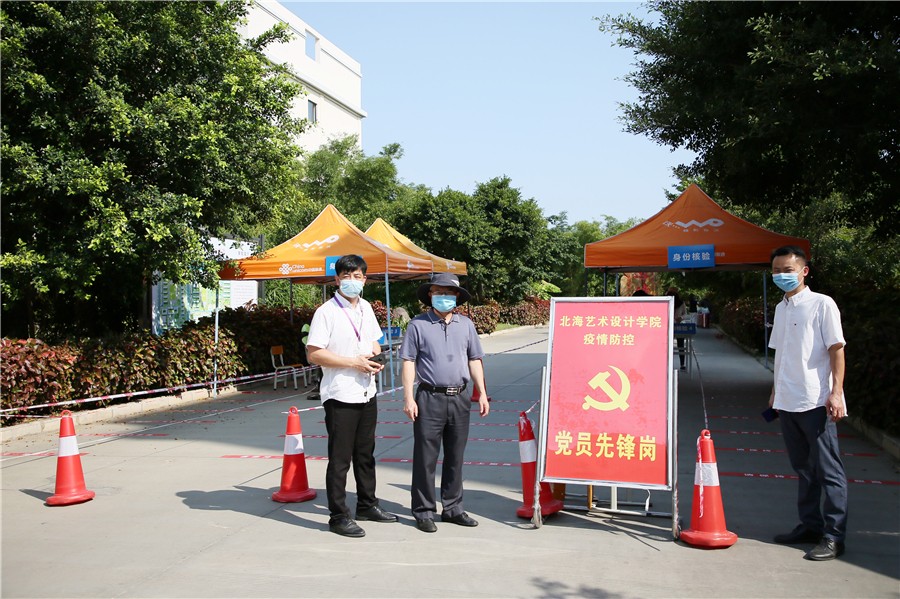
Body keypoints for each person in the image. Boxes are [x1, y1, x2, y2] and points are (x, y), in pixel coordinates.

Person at [305, 254, 397, 537]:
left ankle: (367, 505)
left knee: (365, 453)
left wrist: (375, 357)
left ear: (365, 280)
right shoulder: (326, 312)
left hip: (366, 390)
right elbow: (314, 354)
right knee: (340, 458)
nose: (352, 281)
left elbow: (374, 342)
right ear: (337, 279)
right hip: (340, 393)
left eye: (358, 276)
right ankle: (338, 515)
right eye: (347, 276)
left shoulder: (366, 308)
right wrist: (352, 362)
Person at [768, 245, 848, 561]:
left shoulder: (822, 304)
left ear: (804, 271)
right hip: (788, 400)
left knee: (829, 471)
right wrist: (775, 392)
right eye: (776, 270)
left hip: (816, 401)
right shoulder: (781, 308)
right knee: (803, 468)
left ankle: (834, 535)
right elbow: (781, 353)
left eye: (788, 270)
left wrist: (836, 392)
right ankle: (810, 526)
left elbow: (837, 349)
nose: (781, 275)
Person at [399, 273, 489, 533]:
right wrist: (408, 397)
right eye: (438, 292)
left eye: (449, 293)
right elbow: (408, 361)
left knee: (455, 456)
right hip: (429, 398)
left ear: (457, 296)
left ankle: (453, 508)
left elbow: (474, 359)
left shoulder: (466, 325)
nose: (444, 297)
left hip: (460, 397)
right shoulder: (417, 325)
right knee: (425, 458)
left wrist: (482, 392)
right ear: (430, 295)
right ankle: (424, 510)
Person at [667, 286, 688, 370]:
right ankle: (666, 364)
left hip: (678, 326)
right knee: (667, 345)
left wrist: (681, 318)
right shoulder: (666, 302)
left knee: (681, 345)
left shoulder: (681, 303)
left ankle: (682, 364)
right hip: (668, 326)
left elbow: (685, 314)